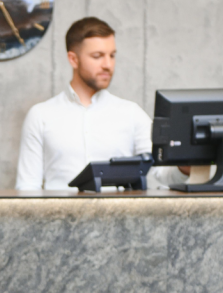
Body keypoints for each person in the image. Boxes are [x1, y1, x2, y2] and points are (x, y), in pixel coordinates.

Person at [15, 17, 190, 190]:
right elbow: (27, 187)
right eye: (97, 56)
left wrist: (186, 166)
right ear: (73, 59)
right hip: (58, 217)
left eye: (112, 55)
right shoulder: (40, 116)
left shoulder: (131, 113)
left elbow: (163, 174)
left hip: (121, 217)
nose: (108, 65)